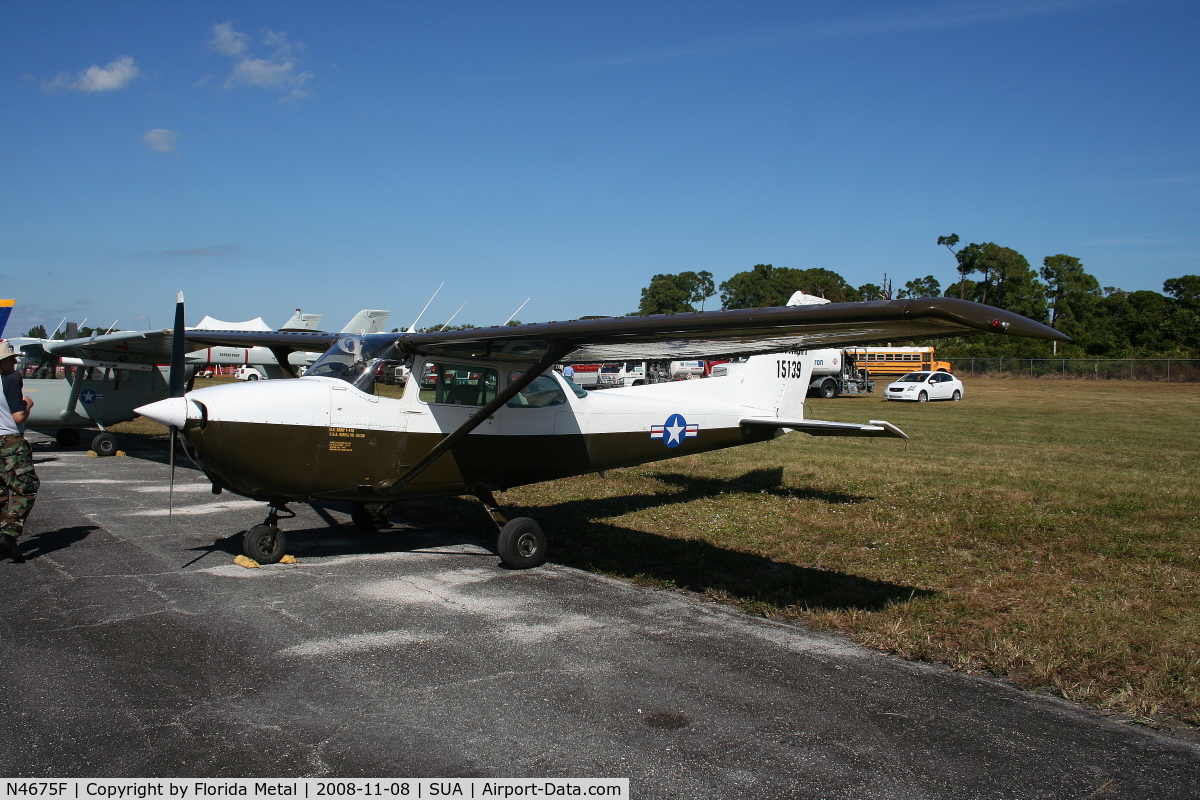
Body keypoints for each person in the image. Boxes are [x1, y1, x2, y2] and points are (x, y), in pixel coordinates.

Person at [0, 340, 37, 562]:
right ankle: (9, 534)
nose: (14, 362)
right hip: (9, 442)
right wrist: (28, 406)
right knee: (27, 488)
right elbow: (18, 417)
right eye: (10, 358)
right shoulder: (10, 382)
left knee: (2, 492)